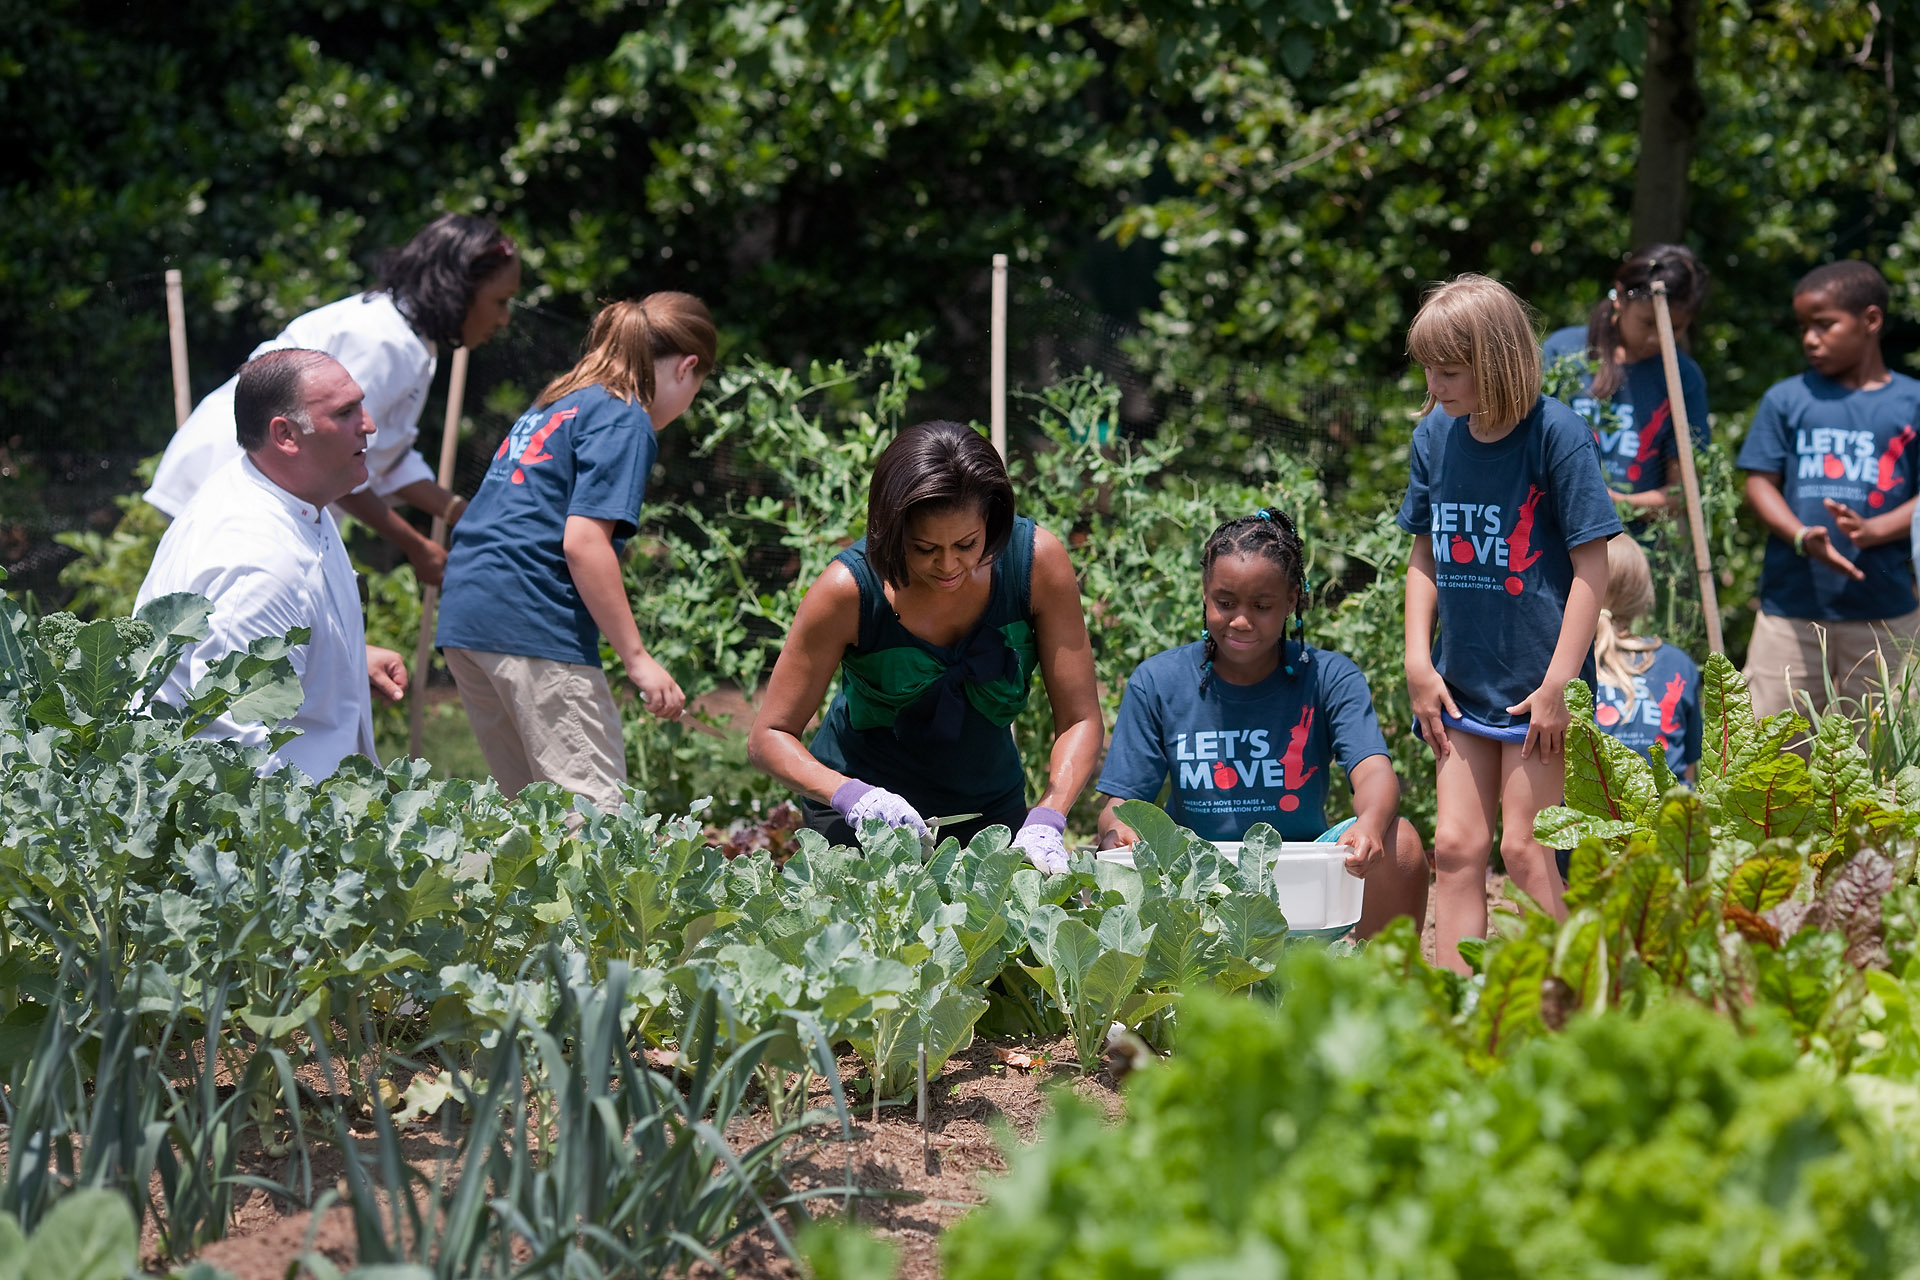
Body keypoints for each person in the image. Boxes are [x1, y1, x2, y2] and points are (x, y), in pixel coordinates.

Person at [748, 420, 1103, 869]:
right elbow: (769, 736)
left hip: (990, 809)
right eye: (924, 548)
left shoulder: (1036, 564)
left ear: (991, 520)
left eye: (967, 543)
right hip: (864, 818)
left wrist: (1048, 816)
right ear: (891, 531)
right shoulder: (847, 590)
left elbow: (1080, 718)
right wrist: (854, 796)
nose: (949, 565)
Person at [1399, 274, 1621, 974]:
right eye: (1428, 366)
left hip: (1538, 692)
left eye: (1451, 368)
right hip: (1458, 684)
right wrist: (1416, 661)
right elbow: (1423, 555)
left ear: (1496, 360)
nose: (1434, 383)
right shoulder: (1435, 436)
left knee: (1526, 853)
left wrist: (1560, 685)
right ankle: (1460, 1011)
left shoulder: (1557, 435)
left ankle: (1586, 995)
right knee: (1459, 848)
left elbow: (1594, 570)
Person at [1092, 508, 1429, 938]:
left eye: (1263, 606)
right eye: (1225, 602)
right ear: (1204, 593)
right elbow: (1120, 803)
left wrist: (1369, 825)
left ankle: (1379, 993)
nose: (1240, 621)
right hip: (1195, 894)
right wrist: (1119, 831)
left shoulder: (1328, 678)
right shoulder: (1158, 682)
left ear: (1292, 600)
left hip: (1304, 888)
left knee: (1400, 844)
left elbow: (1375, 773)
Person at [435, 294, 715, 810]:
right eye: (696, 390)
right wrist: (638, 659)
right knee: (597, 822)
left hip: (466, 616)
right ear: (687, 368)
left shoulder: (560, 401)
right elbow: (584, 542)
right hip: (531, 619)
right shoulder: (624, 415)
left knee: (533, 819)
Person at [145, 214, 522, 586]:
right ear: (459, 289)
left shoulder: (408, 341)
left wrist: (462, 513)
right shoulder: (380, 341)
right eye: (500, 301)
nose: (504, 319)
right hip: (231, 484)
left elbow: (388, 456)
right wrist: (417, 545)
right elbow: (338, 457)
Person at [136, 349, 409, 780]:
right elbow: (234, 755)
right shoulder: (257, 566)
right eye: (346, 412)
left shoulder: (288, 493)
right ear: (285, 435)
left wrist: (341, 659)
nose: (369, 425)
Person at [1736, 260, 1920, 720]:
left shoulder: (1911, 401)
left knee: (1881, 758)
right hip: (1791, 613)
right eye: (1803, 328)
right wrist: (1801, 535)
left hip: (1886, 614)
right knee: (1770, 752)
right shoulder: (1788, 398)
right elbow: (1759, 481)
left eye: (1824, 325)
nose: (1810, 339)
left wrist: (1875, 530)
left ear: (1871, 321)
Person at [1542, 245, 1710, 513]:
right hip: (1556, 536)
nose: (1657, 337)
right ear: (1620, 297)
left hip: (1638, 545)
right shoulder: (1562, 353)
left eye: (1674, 328)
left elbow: (1682, 492)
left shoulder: (1682, 378)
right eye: (1648, 323)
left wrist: (1615, 505)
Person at [1592, 535, 1700, 781]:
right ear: (1643, 596)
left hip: (1587, 817)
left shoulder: (1566, 662)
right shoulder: (1679, 664)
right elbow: (1688, 773)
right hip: (1666, 815)